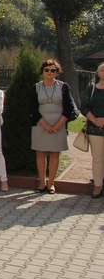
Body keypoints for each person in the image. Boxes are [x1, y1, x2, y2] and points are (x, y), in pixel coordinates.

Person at [30, 59, 77, 194]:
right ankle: (41, 182)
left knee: (55, 154)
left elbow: (68, 108)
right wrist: (45, 124)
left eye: (53, 70)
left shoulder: (63, 87)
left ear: (57, 72)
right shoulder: (36, 87)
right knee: (40, 153)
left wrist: (58, 124)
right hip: (40, 124)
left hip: (59, 123)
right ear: (42, 71)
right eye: (47, 70)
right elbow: (32, 108)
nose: (49, 72)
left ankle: (51, 183)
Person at [81, 62, 104, 198]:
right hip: (95, 129)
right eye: (103, 70)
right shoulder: (92, 89)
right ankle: (97, 186)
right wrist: (95, 120)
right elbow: (84, 107)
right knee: (97, 159)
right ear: (98, 73)